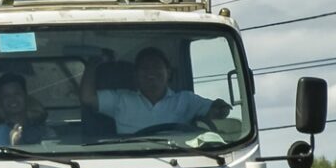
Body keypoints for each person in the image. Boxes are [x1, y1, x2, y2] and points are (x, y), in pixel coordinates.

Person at [83, 46, 230, 134]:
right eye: (145, 68)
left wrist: (220, 108)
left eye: (156, 67)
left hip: (179, 160)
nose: (150, 73)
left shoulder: (186, 100)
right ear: (136, 75)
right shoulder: (121, 99)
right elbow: (87, 98)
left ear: (168, 72)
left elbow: (216, 111)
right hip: (129, 160)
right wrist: (91, 66)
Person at [0, 72, 49, 146]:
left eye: (17, 94)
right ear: (0, 101)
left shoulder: (43, 130)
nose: (12, 99)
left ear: (26, 96)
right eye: (6, 96)